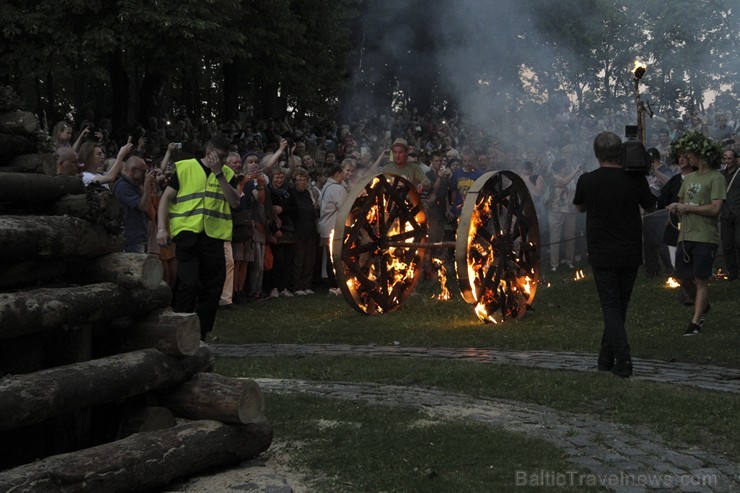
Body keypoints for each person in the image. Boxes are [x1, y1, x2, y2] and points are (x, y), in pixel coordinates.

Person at [573, 132, 655, 378]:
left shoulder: (587, 180)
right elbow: (650, 204)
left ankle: (623, 359)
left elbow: (579, 206)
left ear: (596, 154)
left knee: (611, 305)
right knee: (619, 306)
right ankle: (605, 358)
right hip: (629, 250)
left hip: (602, 251)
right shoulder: (634, 178)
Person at [156, 136, 240, 341]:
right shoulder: (185, 168)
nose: (221, 160)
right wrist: (161, 229)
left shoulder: (227, 173)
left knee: (213, 287)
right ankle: (180, 328)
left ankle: (201, 333)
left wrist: (219, 174)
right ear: (208, 151)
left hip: (214, 236)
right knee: (189, 283)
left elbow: (235, 202)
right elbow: (166, 197)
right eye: (219, 156)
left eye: (224, 157)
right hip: (187, 233)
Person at [667, 132, 726, 336]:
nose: (687, 157)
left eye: (689, 153)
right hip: (686, 235)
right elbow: (682, 200)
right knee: (682, 277)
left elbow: (715, 209)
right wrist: (677, 206)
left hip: (705, 236)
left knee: (700, 279)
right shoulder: (689, 177)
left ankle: (695, 322)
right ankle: (703, 305)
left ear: (700, 154)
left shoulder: (716, 177)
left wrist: (689, 208)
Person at [113, 156, 155, 253]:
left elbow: (150, 213)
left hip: (140, 237)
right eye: (144, 172)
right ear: (134, 171)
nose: (145, 176)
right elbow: (143, 207)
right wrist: (147, 186)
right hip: (131, 239)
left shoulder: (134, 186)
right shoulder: (122, 186)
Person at [318, 164, 349, 294]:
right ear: (337, 174)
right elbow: (345, 209)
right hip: (334, 228)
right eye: (343, 173)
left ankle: (333, 285)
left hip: (325, 227)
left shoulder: (325, 187)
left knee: (330, 258)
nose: (345, 176)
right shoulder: (337, 189)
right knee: (336, 258)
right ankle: (337, 285)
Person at [720, 149, 739, 280]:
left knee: (738, 243)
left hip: (738, 212)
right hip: (725, 213)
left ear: (735, 159)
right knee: (727, 245)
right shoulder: (721, 174)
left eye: (729, 158)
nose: (727, 161)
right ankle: (732, 272)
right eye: (725, 158)